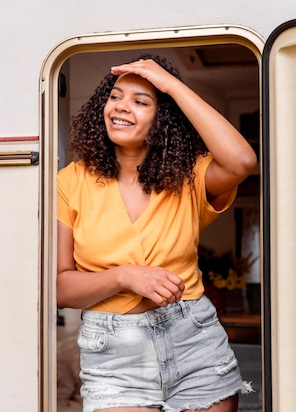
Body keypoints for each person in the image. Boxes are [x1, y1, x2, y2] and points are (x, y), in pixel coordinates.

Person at [56, 54, 257, 412]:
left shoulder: (189, 176)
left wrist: (171, 85)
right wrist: (125, 276)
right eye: (115, 96)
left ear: (162, 117)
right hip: (114, 353)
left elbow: (242, 161)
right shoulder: (70, 181)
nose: (120, 107)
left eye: (140, 101)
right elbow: (59, 287)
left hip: (195, 339)